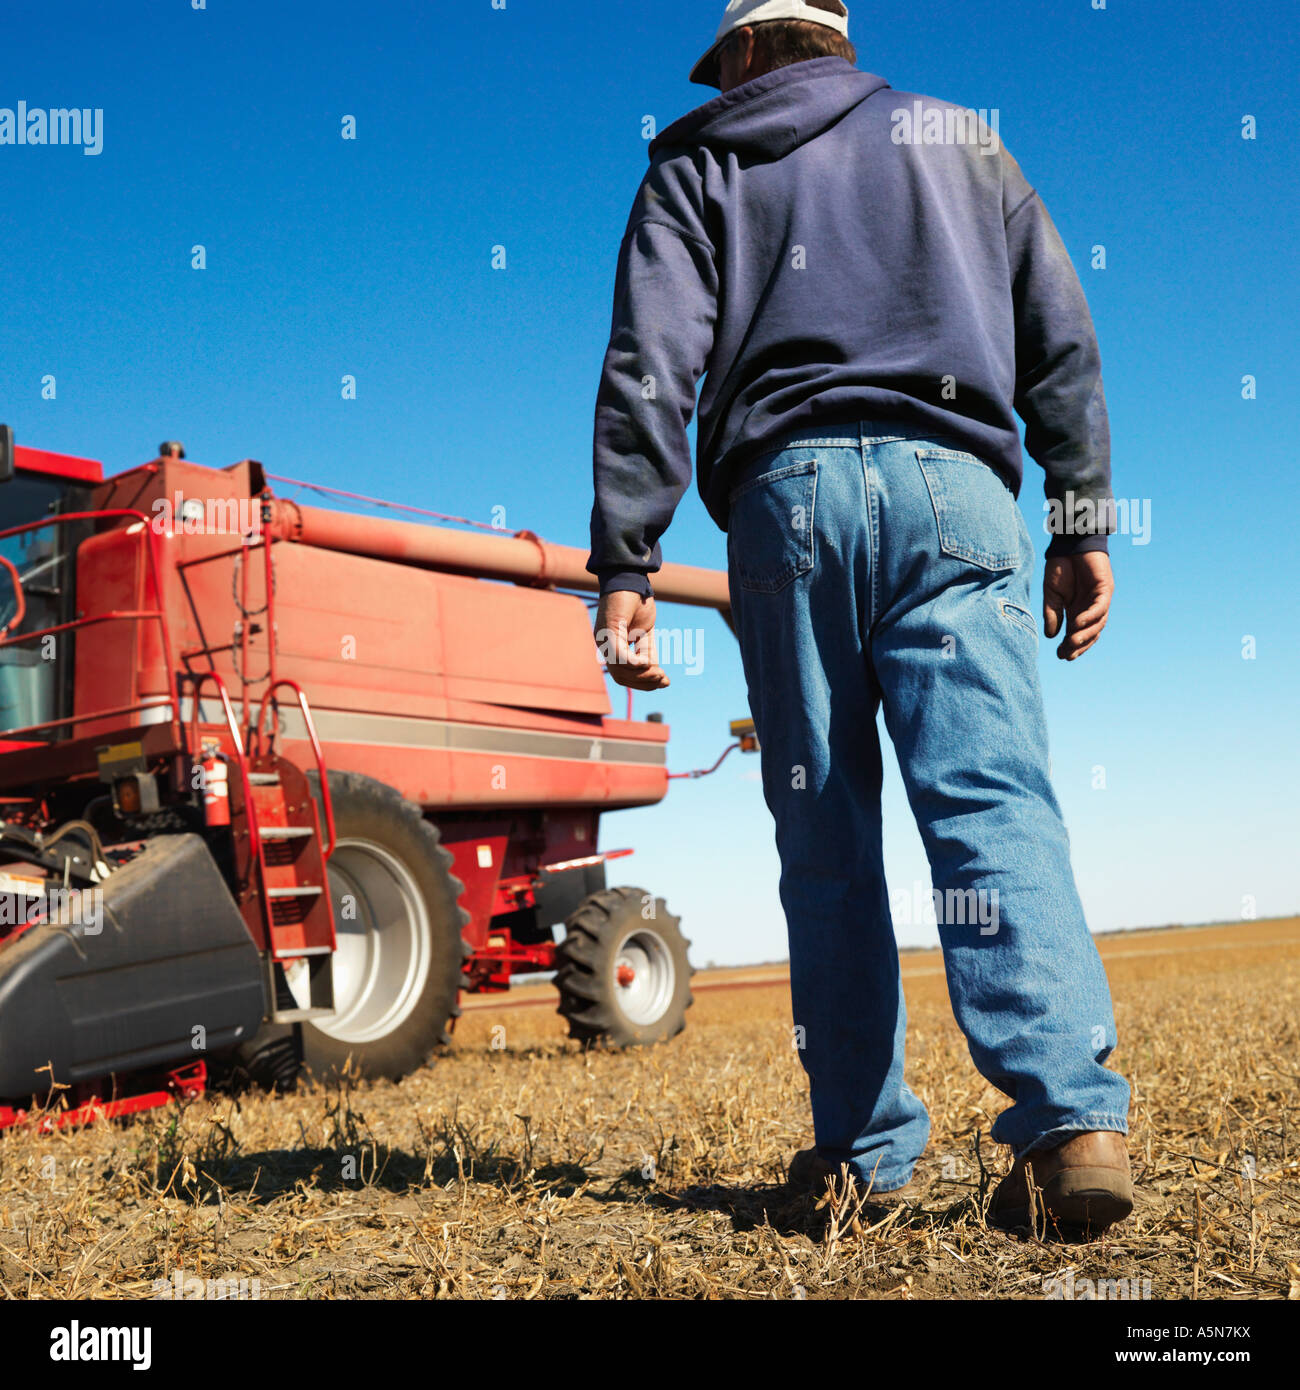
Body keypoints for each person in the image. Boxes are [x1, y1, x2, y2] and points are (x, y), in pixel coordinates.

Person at [586, 0, 1133, 1235]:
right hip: (962, 493)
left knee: (822, 829)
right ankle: (1071, 1123)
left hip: (790, 504)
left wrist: (626, 560)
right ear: (834, 40)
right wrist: (1082, 522)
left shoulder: (699, 163)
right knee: (992, 803)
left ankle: (867, 1156)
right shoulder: (957, 139)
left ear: (738, 57)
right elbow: (1060, 335)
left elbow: (649, 365)